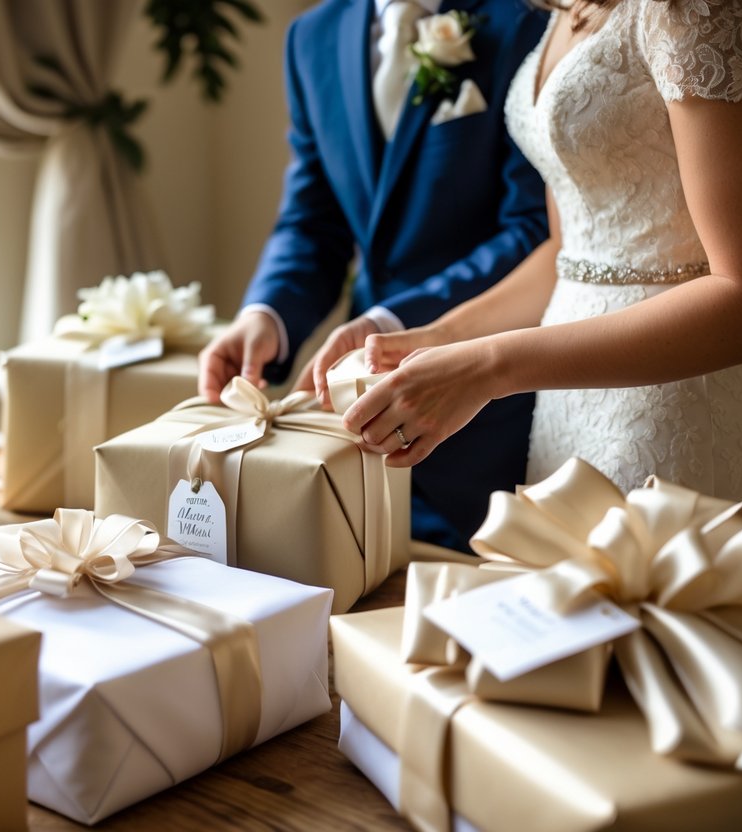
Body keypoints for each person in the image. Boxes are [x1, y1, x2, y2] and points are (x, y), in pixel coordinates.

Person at [341, 0, 742, 519]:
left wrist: (489, 368)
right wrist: (444, 336)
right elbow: (568, 253)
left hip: (680, 399)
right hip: (564, 399)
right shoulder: (563, 11)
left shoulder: (698, 9)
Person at [199, 0, 549, 550]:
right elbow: (313, 220)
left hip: (490, 414)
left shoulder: (523, 19)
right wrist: (266, 313)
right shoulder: (311, 38)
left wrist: (397, 320)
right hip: (357, 414)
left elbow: (536, 231)